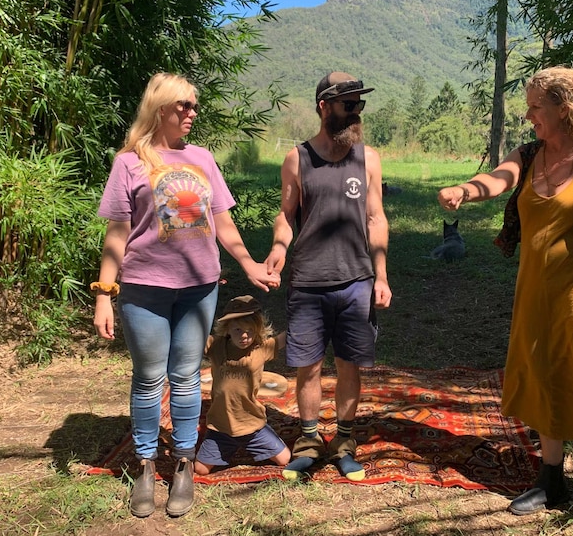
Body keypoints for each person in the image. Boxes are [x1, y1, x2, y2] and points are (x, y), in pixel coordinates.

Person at [437, 66, 573, 536]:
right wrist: (463, 191)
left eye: (536, 105)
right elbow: (496, 179)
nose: (529, 113)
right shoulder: (530, 153)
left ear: (563, 107)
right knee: (542, 375)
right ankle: (552, 480)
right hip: (533, 288)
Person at [92, 72, 279, 518]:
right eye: (185, 106)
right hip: (144, 288)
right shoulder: (129, 162)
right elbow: (117, 233)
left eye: (195, 106)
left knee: (187, 377)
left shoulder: (203, 158)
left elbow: (223, 224)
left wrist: (249, 264)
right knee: (148, 377)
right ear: (161, 109)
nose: (192, 113)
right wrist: (104, 292)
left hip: (200, 287)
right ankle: (143, 464)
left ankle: (182, 462)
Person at [265, 71, 392, 481]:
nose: (356, 112)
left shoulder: (367, 158)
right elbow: (286, 216)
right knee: (309, 367)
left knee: (350, 364)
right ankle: (308, 442)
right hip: (308, 282)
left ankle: (345, 441)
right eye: (348, 104)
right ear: (324, 107)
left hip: (357, 280)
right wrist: (278, 249)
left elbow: (375, 217)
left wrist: (382, 275)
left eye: (359, 104)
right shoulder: (297, 159)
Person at [194, 295, 290, 474]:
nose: (244, 335)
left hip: (252, 425)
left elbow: (287, 336)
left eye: (250, 330)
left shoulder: (261, 348)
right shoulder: (216, 345)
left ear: (258, 329)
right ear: (227, 329)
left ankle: (254, 442)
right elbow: (192, 332)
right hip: (220, 427)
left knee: (285, 459)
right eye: (238, 329)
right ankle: (227, 447)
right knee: (200, 469)